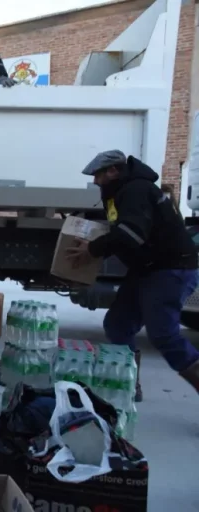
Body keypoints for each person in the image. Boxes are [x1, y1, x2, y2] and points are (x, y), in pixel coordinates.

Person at [66, 149, 199, 402]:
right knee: (118, 325)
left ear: (114, 170)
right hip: (147, 269)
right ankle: (126, 385)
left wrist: (92, 250)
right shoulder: (121, 192)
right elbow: (123, 234)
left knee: (164, 335)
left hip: (170, 269)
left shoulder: (135, 190)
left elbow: (131, 233)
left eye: (98, 175)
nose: (95, 181)